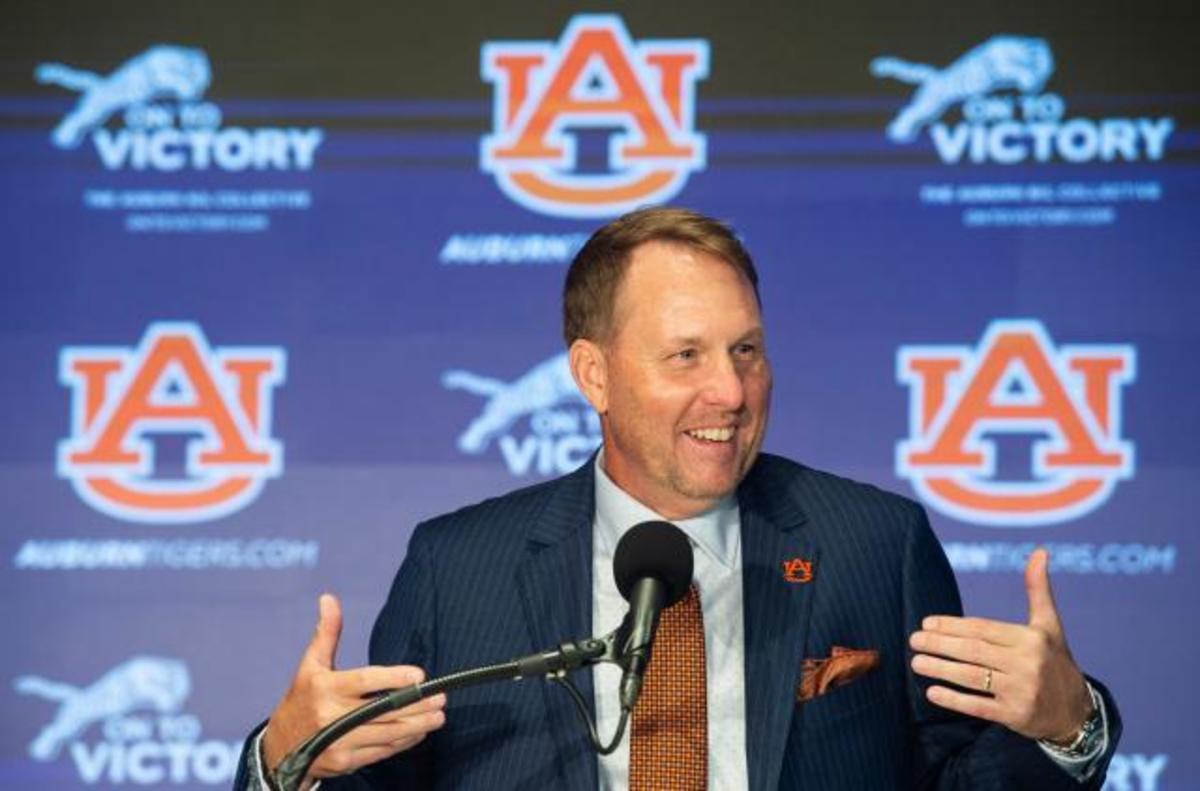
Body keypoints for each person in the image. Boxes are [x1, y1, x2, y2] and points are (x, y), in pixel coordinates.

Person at [236, 207, 1120, 790]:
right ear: (595, 374)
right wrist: (284, 761)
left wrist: (1068, 726)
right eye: (687, 356)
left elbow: (959, 777)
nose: (732, 393)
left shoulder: (874, 542)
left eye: (746, 350)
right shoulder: (456, 566)